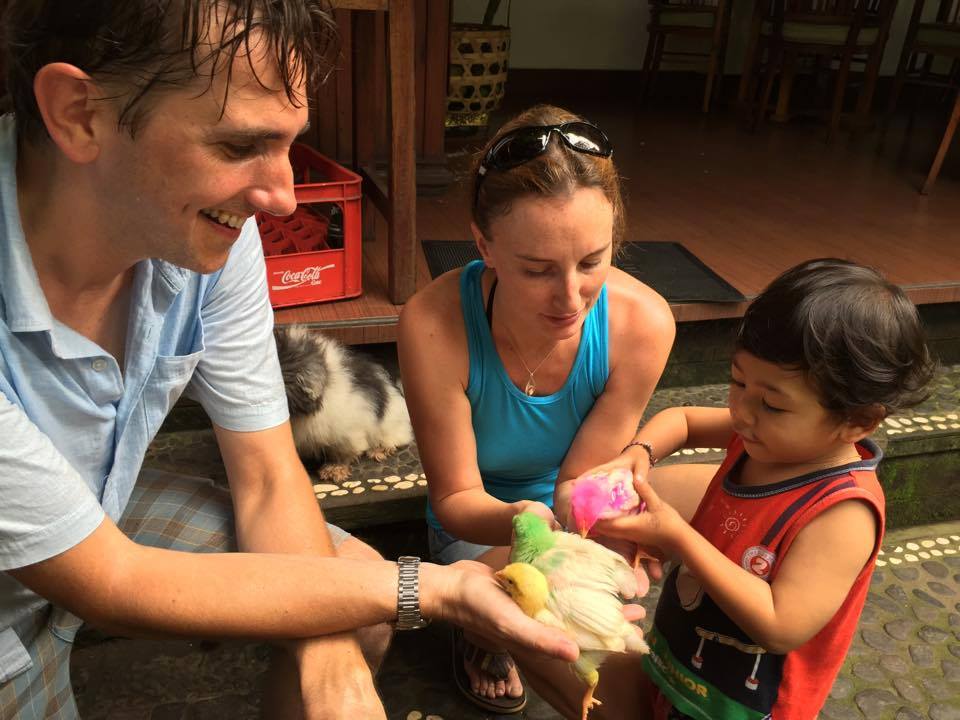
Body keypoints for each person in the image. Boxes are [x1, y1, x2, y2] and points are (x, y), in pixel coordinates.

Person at [0, 3, 582, 718]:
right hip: (57, 575)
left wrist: (329, 645)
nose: (281, 197)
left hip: (94, 513)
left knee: (350, 605)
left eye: (288, 145)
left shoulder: (205, 231)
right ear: (78, 114)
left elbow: (271, 477)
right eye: (241, 145)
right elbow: (111, 581)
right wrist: (437, 588)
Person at [522, 258, 936, 720]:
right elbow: (681, 420)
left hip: (740, 707)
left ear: (856, 422)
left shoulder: (843, 513)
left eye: (773, 404)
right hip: (683, 671)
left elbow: (782, 624)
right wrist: (638, 452)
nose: (741, 411)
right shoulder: (761, 436)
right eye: (737, 381)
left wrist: (677, 538)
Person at [397, 105, 676, 713]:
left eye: (592, 262)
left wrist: (614, 528)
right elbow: (455, 499)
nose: (570, 297)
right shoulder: (433, 322)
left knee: (732, 499)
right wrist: (529, 525)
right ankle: (480, 631)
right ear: (483, 246)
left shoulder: (643, 323)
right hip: (481, 525)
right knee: (608, 682)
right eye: (536, 269)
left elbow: (581, 484)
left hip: (573, 510)